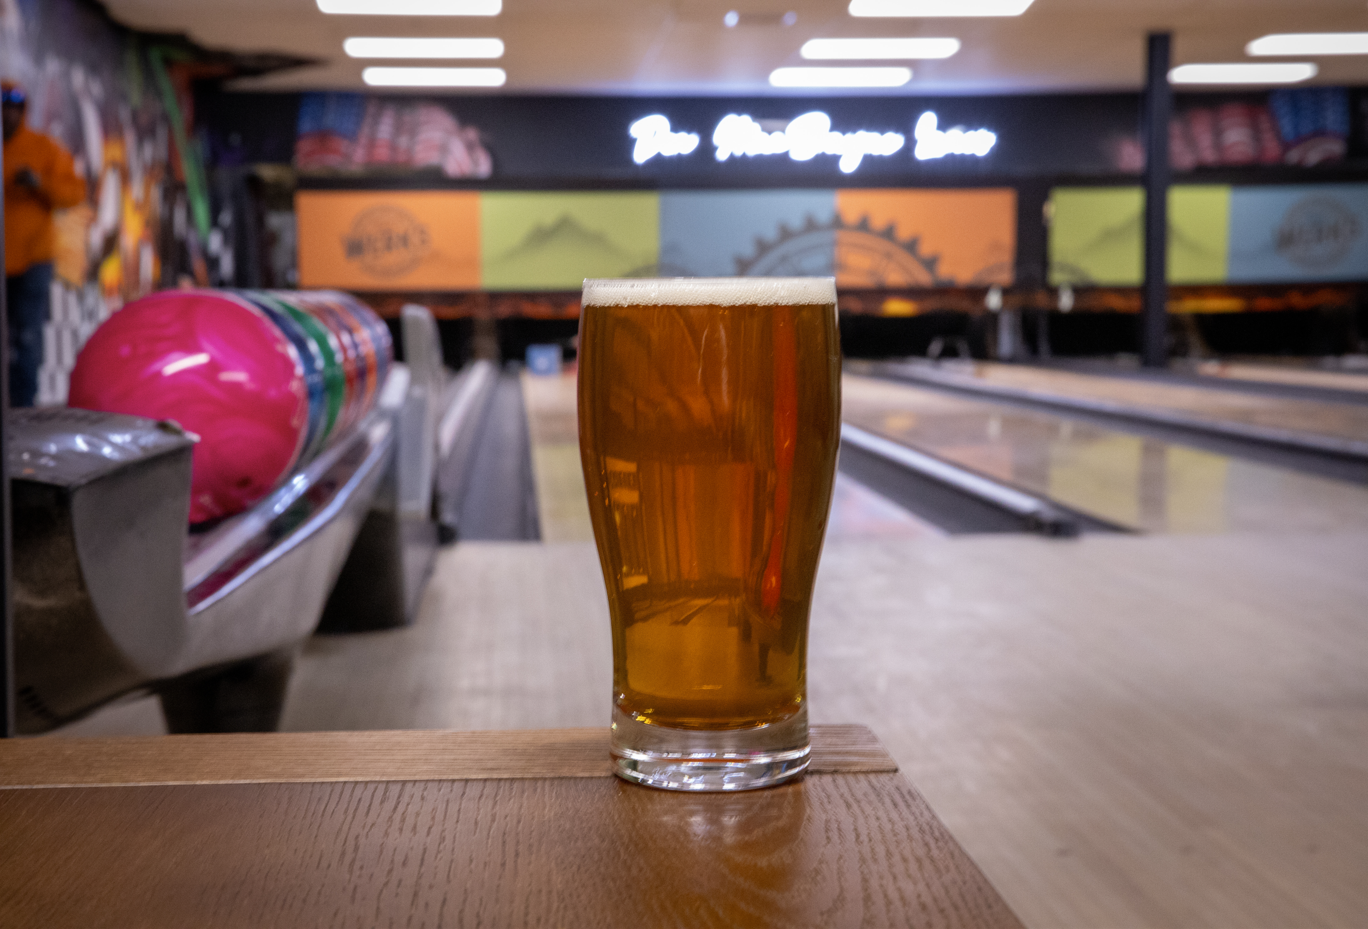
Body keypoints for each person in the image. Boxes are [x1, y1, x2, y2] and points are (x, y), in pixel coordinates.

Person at [4, 80, 86, 407]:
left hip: (32, 259)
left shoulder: (42, 148)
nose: (7, 115)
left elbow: (74, 194)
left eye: (13, 109)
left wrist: (39, 185)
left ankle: (24, 405)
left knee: (26, 335)